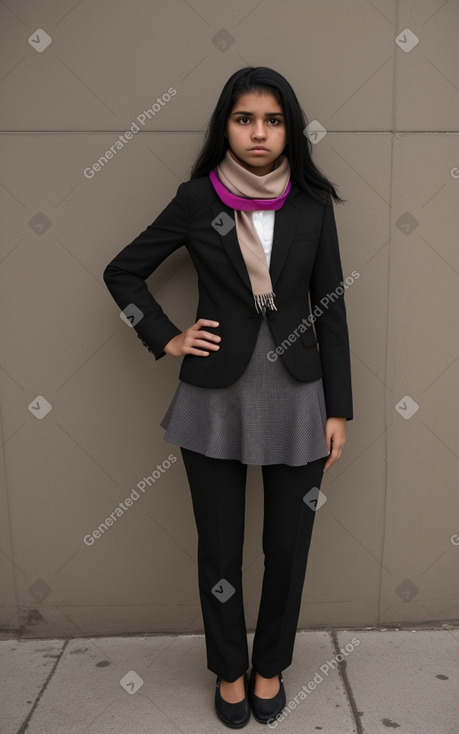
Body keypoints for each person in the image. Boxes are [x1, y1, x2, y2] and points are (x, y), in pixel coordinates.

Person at [103, 66, 353, 728]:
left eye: (272, 120)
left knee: (286, 548)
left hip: (299, 398)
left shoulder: (310, 206)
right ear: (226, 126)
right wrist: (166, 338)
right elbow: (121, 272)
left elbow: (331, 312)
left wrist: (338, 410)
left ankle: (269, 666)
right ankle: (229, 672)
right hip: (213, 399)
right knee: (218, 550)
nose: (259, 132)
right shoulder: (194, 200)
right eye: (245, 119)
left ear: (288, 129)